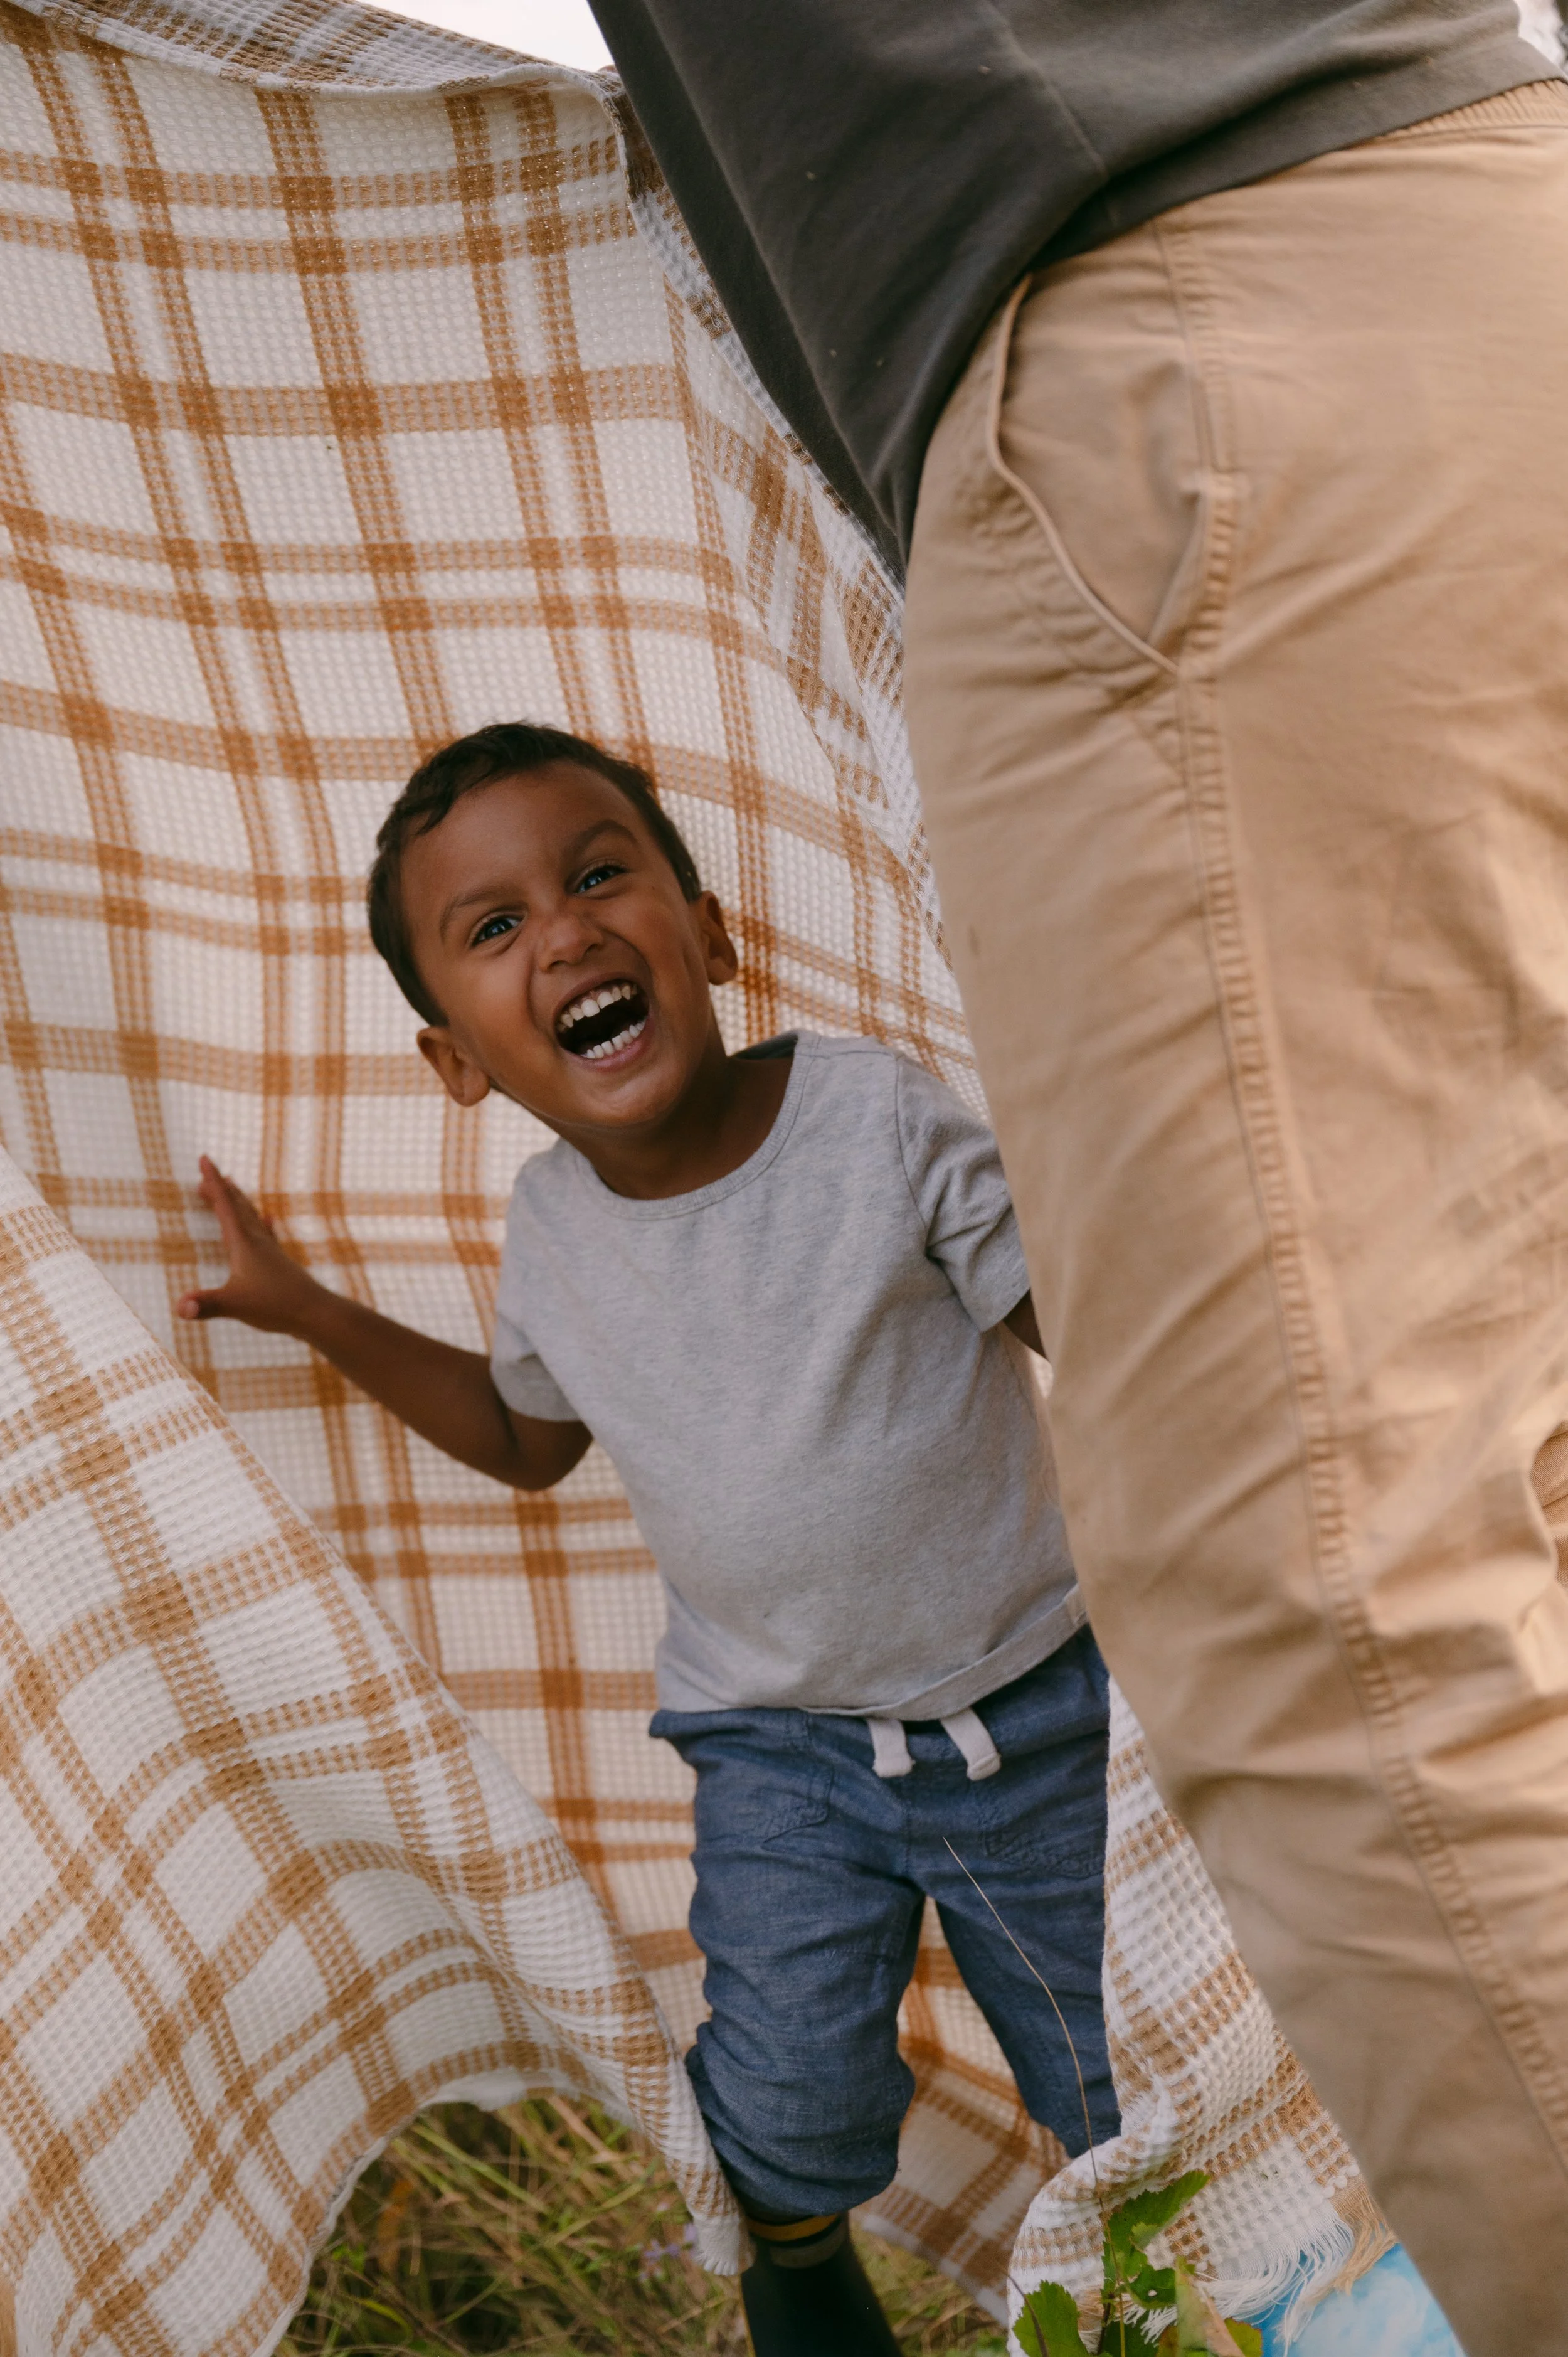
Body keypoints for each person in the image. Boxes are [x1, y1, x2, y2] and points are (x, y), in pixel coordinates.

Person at [580, 6, 1568, 2344]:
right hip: (1444, 232)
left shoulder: (863, 1123)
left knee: (1340, 1605)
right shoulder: (555, 1237)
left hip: (1175, 330)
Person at [177, 721, 1119, 2356]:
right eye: (493, 928)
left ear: (707, 929)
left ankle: (1193, 2296)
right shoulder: (550, 1234)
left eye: (600, 872)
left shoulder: (872, 1122)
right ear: (457, 1059)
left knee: (1111, 2085)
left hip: (1027, 1716)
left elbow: (1085, 1326)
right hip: (777, 1749)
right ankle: (804, 2280)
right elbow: (526, 1437)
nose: (563, 932)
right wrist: (304, 1307)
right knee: (780, 2101)